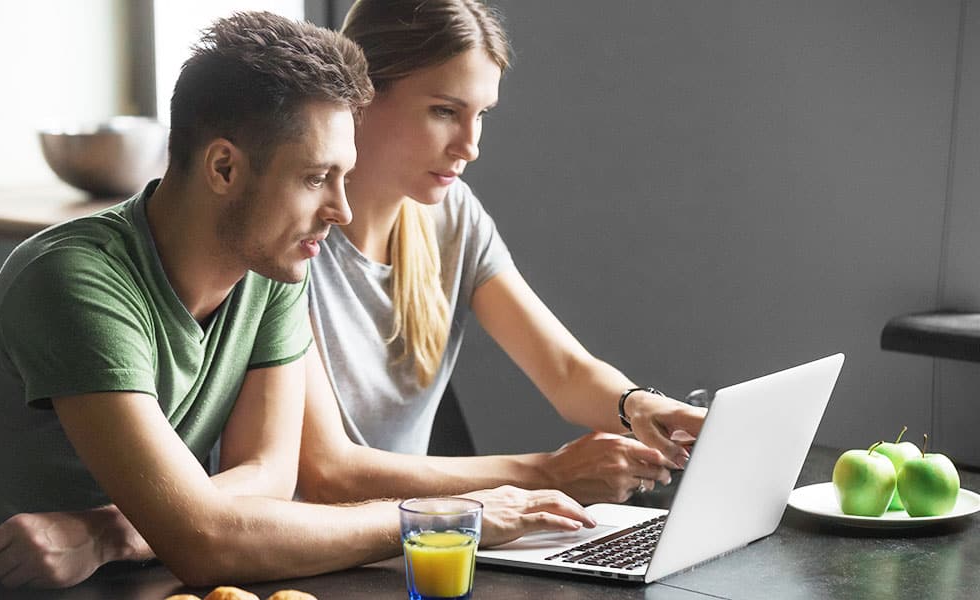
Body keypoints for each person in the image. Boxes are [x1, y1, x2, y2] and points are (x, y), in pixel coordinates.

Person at [0, 12, 593, 589]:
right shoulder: (76, 281)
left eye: (343, 176)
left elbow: (270, 479)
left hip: (143, 578)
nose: (341, 210)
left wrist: (111, 532)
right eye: (314, 178)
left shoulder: (270, 269)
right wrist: (449, 516)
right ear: (224, 167)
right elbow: (204, 540)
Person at [297, 0, 708, 508]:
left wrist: (639, 406)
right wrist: (547, 474)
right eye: (445, 111)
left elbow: (564, 371)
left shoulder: (453, 217)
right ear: (361, 96)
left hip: (413, 546)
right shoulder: (291, 239)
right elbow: (327, 473)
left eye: (482, 115)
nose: (470, 146)